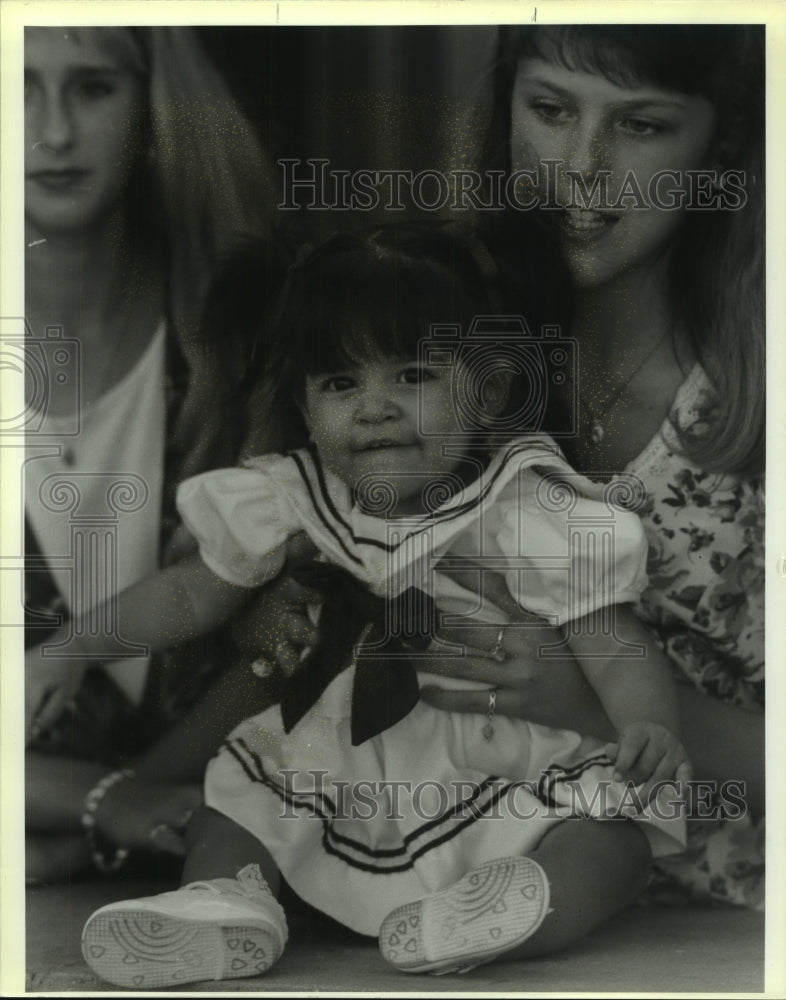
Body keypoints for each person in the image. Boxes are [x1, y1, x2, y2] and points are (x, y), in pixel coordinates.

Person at [78, 226, 690, 989]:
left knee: (610, 836)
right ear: (304, 408)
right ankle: (230, 902)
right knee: (238, 798)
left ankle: (510, 910)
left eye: (412, 376)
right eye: (340, 384)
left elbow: (611, 639)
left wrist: (648, 725)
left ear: (490, 389)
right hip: (342, 759)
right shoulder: (295, 498)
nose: (374, 409)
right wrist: (61, 652)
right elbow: (186, 594)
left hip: (502, 762)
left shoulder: (527, 508)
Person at [418, 24, 765, 910]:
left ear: (723, 144)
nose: (581, 166)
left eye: (641, 125)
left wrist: (586, 699)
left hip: (729, 921)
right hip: (461, 870)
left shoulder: (754, 393)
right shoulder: (442, 350)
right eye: (549, 110)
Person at [23, 26, 281, 883]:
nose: (51, 132)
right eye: (14, 85)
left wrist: (102, 812)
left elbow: (294, 634)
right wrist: (104, 811)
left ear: (151, 105)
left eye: (93, 88)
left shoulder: (245, 339)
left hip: (232, 852)